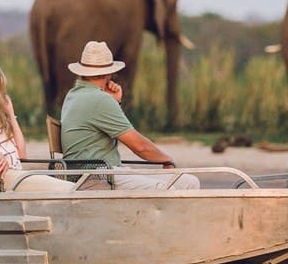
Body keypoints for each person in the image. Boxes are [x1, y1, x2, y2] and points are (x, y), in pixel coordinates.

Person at [59, 40, 199, 190]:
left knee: (188, 182)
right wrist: (167, 160)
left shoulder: (74, 94)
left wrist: (115, 101)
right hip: (98, 177)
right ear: (108, 72)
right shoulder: (99, 99)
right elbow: (139, 146)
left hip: (102, 172)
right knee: (167, 189)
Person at [0, 55, 72, 192]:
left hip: (9, 176)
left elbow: (22, 155)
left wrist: (11, 115)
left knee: (63, 187)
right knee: (68, 189)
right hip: (0, 178)